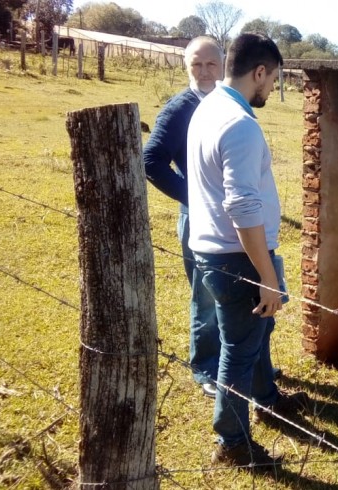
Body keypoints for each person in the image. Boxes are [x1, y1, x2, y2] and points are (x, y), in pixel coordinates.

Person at [187, 33, 299, 467]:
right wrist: (266, 276)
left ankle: (267, 398)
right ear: (259, 72)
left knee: (256, 333)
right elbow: (242, 207)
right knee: (238, 347)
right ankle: (232, 441)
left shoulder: (207, 107)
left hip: (215, 251)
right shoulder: (240, 125)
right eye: (273, 79)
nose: (271, 88)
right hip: (238, 258)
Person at [142, 36, 224, 398]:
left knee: (232, 292)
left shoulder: (225, 102)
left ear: (222, 66)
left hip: (231, 218)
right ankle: (206, 369)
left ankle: (234, 364)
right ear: (186, 66)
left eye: (211, 64)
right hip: (199, 217)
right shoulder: (180, 109)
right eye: (196, 65)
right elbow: (151, 161)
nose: (204, 72)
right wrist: (194, 197)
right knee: (205, 295)